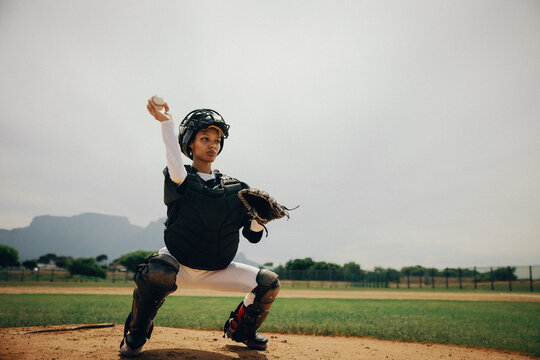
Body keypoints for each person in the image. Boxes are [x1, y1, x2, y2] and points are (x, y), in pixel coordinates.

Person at [119, 98, 281, 357]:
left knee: (269, 283)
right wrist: (167, 124)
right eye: (205, 138)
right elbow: (172, 156)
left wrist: (258, 219)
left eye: (216, 140)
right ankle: (137, 332)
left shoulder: (238, 190)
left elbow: (253, 237)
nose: (212, 145)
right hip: (178, 264)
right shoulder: (181, 178)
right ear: (190, 144)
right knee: (156, 272)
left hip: (218, 268)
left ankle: (242, 330)